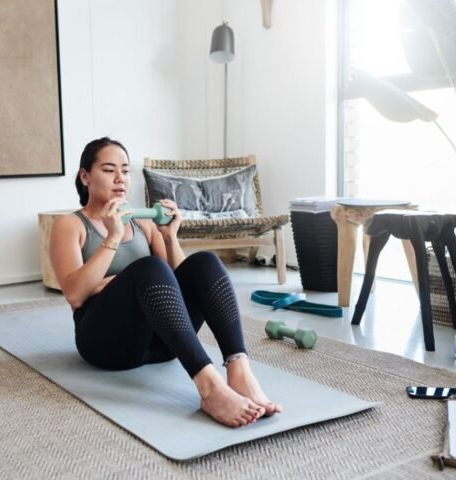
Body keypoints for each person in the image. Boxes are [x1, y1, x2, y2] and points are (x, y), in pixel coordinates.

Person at [49, 137, 282, 427]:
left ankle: (239, 370)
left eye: (125, 170)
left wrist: (170, 237)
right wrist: (111, 238)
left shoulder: (144, 224)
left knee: (205, 262)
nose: (120, 178)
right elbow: (74, 294)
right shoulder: (70, 226)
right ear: (85, 176)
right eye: (109, 170)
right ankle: (209, 388)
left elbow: (182, 282)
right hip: (107, 346)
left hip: (162, 345)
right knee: (149, 268)